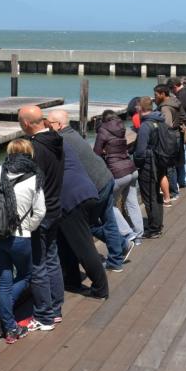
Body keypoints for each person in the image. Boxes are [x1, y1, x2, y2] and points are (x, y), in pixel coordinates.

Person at [48, 109, 131, 273]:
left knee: (86, 225)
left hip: (96, 185)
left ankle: (120, 246)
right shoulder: (73, 133)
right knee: (108, 221)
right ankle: (117, 256)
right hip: (105, 178)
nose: (47, 127)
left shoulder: (62, 140)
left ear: (58, 124)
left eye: (48, 124)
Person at [0, 140, 46, 344]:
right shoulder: (33, 177)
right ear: (29, 153)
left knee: (4, 280)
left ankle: (9, 327)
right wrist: (29, 227)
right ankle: (3, 314)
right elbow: (40, 211)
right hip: (20, 236)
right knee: (27, 275)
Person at [17, 105, 64, 330]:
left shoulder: (35, 148)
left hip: (41, 212)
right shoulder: (56, 140)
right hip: (56, 207)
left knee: (38, 264)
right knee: (52, 259)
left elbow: (30, 184)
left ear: (26, 123)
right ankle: (55, 309)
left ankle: (44, 316)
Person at [57, 142, 109, 299]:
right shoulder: (63, 144)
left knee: (84, 246)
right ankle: (72, 279)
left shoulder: (45, 148)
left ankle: (101, 288)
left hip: (72, 200)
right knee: (66, 242)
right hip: (87, 192)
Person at [93, 109, 143, 244]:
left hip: (118, 172)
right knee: (132, 202)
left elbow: (96, 153)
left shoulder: (103, 130)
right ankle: (138, 235)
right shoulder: (121, 128)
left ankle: (127, 233)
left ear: (104, 120)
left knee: (109, 204)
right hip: (131, 169)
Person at [132, 96, 165, 239]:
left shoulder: (146, 126)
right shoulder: (160, 120)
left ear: (141, 108)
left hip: (149, 164)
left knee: (149, 196)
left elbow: (140, 151)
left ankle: (153, 229)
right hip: (160, 160)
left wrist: (136, 162)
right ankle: (158, 224)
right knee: (157, 195)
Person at [153, 84, 184, 203]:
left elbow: (167, 125)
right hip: (176, 135)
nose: (154, 97)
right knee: (172, 164)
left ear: (162, 94)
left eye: (156, 95)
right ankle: (174, 189)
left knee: (169, 165)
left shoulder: (165, 107)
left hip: (169, 137)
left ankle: (172, 192)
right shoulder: (174, 101)